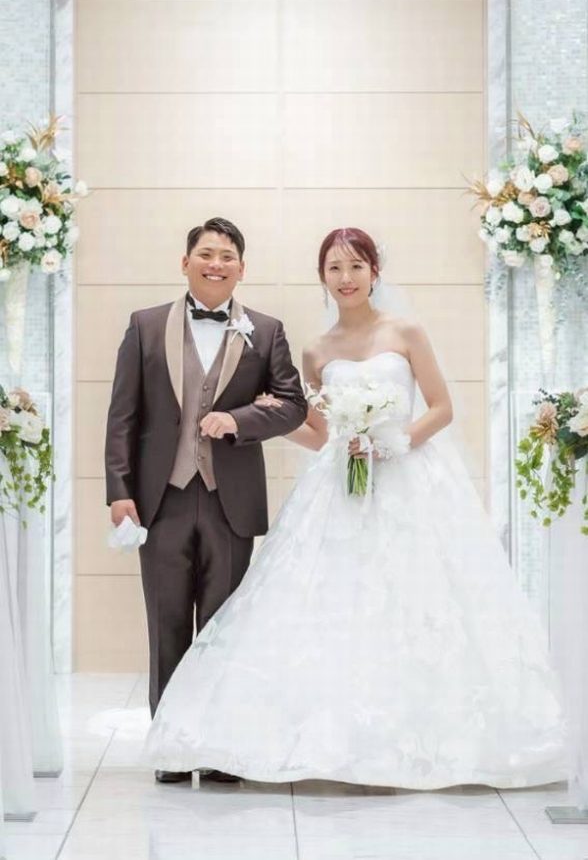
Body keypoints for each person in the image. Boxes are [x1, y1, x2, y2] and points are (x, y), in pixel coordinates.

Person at [143, 227, 567, 789]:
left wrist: (394, 441)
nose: (346, 278)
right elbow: (320, 433)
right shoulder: (316, 351)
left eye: (356, 267)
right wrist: (278, 420)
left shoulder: (405, 331)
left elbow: (441, 408)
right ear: (322, 277)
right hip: (341, 484)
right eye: (335, 269)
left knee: (418, 602)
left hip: (409, 479)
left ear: (374, 273)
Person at [105, 217, 307, 783]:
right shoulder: (144, 326)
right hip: (161, 500)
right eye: (206, 254)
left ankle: (218, 749)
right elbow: (122, 416)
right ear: (185, 261)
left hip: (230, 502)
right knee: (166, 626)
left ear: (242, 269)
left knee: (224, 628)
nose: (216, 264)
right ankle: (171, 750)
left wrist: (239, 420)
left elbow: (293, 405)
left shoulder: (266, 331)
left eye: (227, 257)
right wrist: (119, 491)